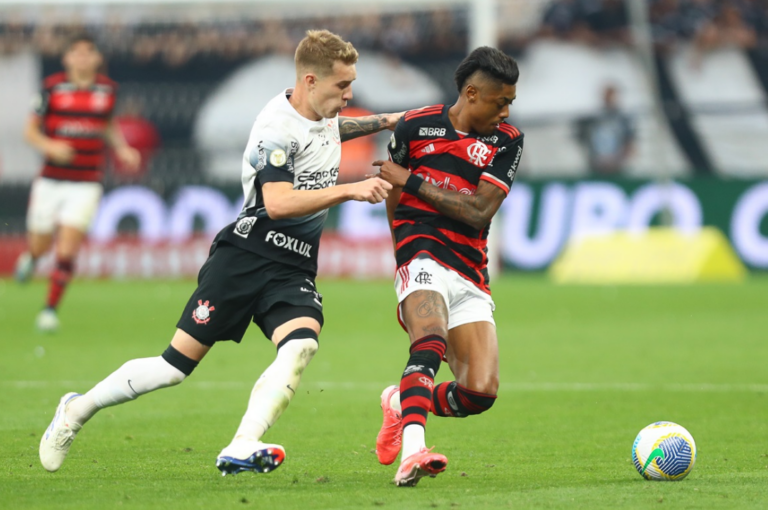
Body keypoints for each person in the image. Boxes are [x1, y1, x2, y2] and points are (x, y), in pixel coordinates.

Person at [39, 29, 399, 476]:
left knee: (301, 344)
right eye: (342, 86)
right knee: (173, 368)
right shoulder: (275, 129)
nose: (349, 94)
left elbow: (329, 129)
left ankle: (243, 444)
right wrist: (351, 190)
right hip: (244, 256)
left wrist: (385, 120)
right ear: (309, 80)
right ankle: (75, 411)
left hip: (292, 265)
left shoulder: (316, 111)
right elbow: (279, 203)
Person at [371, 46, 524, 487]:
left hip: (469, 268)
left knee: (479, 393)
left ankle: (401, 402)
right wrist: (403, 249)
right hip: (421, 254)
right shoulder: (415, 126)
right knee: (429, 340)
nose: (507, 110)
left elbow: (479, 212)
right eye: (501, 101)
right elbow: (394, 198)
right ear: (472, 93)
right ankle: (414, 452)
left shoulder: (506, 141)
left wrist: (415, 180)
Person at [15, 33, 141, 332]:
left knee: (68, 247)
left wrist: (122, 148)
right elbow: (30, 131)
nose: (83, 58)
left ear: (97, 58)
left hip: (86, 181)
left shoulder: (108, 91)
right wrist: (51, 147)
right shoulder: (52, 88)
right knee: (41, 244)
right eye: (77, 52)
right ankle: (32, 258)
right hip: (51, 180)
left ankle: (49, 310)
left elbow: (107, 125)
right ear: (67, 58)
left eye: (89, 52)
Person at [576, 84, 635, 175]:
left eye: (612, 96)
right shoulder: (594, 119)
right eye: (607, 96)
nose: (609, 99)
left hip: (617, 165)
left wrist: (620, 158)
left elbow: (629, 141)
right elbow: (584, 138)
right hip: (596, 164)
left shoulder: (623, 119)